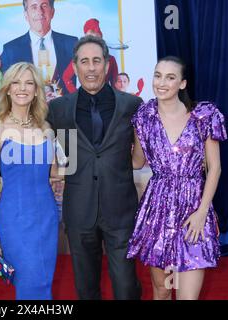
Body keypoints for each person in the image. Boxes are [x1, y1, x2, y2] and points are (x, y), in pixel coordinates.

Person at [48, 35, 142, 300]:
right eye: (84, 61)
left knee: (126, 286)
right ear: (75, 66)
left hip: (121, 210)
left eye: (96, 61)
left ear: (107, 64)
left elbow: (141, 155)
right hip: (79, 209)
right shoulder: (57, 109)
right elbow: (38, 144)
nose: (91, 68)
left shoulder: (132, 106)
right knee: (86, 288)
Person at [127, 56, 227, 300]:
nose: (161, 82)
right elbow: (137, 161)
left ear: (182, 84)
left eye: (170, 77)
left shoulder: (204, 116)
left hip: (194, 209)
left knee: (187, 297)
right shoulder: (144, 117)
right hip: (158, 210)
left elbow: (214, 168)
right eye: (158, 75)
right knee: (161, 291)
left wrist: (202, 211)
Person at [0, 62, 60, 299]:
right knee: (30, 283)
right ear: (7, 89)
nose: (22, 88)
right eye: (16, 82)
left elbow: (54, 174)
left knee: (44, 281)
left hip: (47, 218)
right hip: (14, 220)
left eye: (29, 82)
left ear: (37, 90)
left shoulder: (46, 129)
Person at [0, 0, 78, 95]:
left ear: (52, 12)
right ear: (26, 15)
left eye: (44, 6)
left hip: (66, 108)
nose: (40, 12)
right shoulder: (10, 50)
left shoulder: (72, 44)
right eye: (34, 7)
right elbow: (4, 90)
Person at [62, 18, 119, 94]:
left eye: (96, 39)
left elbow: (115, 84)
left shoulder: (111, 59)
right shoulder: (79, 58)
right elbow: (66, 77)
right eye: (90, 39)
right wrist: (76, 95)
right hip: (85, 100)